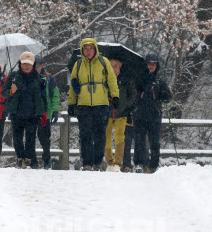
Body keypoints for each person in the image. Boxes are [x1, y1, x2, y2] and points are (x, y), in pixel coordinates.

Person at [68, 39, 119, 171]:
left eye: (91, 48)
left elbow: (112, 80)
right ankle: (87, 163)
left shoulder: (104, 62)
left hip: (101, 103)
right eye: (86, 48)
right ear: (82, 50)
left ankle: (97, 161)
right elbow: (73, 85)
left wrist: (115, 96)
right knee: (85, 134)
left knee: (100, 134)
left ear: (95, 49)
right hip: (83, 104)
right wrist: (71, 103)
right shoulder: (78, 64)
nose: (88, 51)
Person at [1, 51, 48, 169]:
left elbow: (43, 97)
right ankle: (20, 158)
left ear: (33, 64)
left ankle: (28, 159)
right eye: (24, 63)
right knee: (17, 139)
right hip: (17, 113)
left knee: (31, 139)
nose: (26, 66)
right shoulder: (13, 77)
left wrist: (44, 112)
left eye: (29, 63)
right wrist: (11, 91)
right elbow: (4, 93)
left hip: (33, 114)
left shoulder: (39, 78)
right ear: (20, 64)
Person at [134, 53, 172, 174]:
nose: (151, 66)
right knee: (139, 140)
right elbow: (134, 95)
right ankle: (140, 163)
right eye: (149, 64)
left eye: (153, 64)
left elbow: (168, 96)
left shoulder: (160, 81)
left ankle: (153, 166)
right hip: (140, 114)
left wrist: (165, 97)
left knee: (154, 142)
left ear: (157, 66)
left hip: (154, 115)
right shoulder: (139, 78)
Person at [104, 57, 137, 172]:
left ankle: (118, 162)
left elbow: (133, 95)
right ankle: (109, 161)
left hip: (122, 113)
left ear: (120, 66)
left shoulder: (126, 79)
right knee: (106, 137)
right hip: (106, 112)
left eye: (116, 66)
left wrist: (126, 106)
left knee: (119, 137)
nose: (113, 69)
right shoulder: (104, 78)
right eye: (111, 65)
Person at [34, 55, 60, 169]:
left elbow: (55, 94)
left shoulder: (49, 78)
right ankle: (32, 160)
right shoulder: (28, 78)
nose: (35, 68)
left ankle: (46, 160)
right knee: (31, 138)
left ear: (42, 65)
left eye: (37, 65)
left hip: (46, 113)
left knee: (44, 138)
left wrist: (55, 110)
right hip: (32, 113)